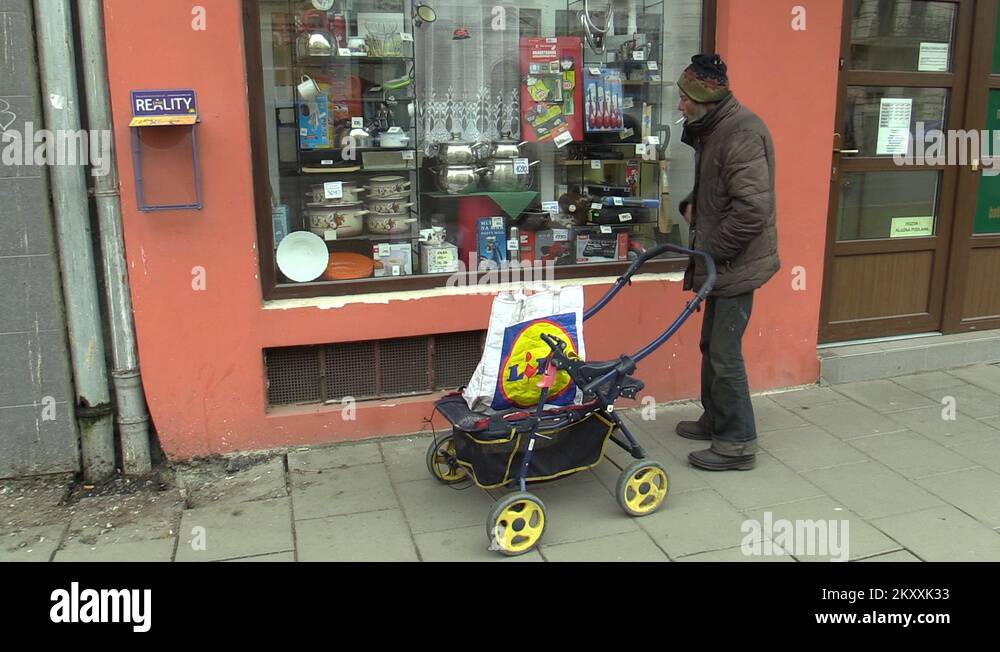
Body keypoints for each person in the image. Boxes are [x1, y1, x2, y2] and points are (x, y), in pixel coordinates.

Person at [674, 54, 780, 471]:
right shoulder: (714, 128)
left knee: (724, 351)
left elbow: (753, 210)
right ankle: (715, 418)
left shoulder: (741, 133)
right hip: (722, 261)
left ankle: (737, 443)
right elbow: (717, 189)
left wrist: (712, 251)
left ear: (703, 99)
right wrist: (691, 204)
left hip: (737, 262)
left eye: (684, 97)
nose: (679, 104)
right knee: (711, 345)